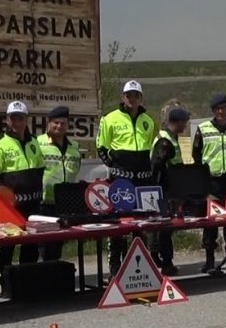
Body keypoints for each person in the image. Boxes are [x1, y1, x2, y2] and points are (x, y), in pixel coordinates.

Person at [96, 79, 157, 275]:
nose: (132, 99)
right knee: (119, 226)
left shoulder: (148, 120)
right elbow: (101, 147)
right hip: (121, 181)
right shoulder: (110, 118)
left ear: (141, 98)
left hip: (143, 181)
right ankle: (115, 267)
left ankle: (140, 267)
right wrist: (113, 165)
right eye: (129, 95)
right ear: (123, 97)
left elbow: (149, 148)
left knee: (142, 225)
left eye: (136, 95)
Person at [0, 100, 46, 293]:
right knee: (7, 247)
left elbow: (40, 170)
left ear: (26, 120)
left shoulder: (34, 142)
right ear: (7, 120)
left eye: (21, 118)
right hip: (11, 207)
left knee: (30, 245)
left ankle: (25, 283)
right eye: (14, 118)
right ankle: (6, 282)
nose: (17, 122)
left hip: (33, 205)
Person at [192, 93, 226, 273]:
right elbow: (196, 154)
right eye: (217, 109)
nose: (221, 111)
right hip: (212, 182)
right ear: (213, 111)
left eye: (223, 108)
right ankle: (210, 261)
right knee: (211, 223)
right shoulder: (203, 128)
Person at [37, 105, 81, 261]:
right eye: (56, 122)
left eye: (63, 123)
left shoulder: (73, 146)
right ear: (48, 123)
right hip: (43, 202)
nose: (59, 126)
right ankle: (46, 278)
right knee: (43, 244)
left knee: (58, 243)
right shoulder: (38, 144)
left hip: (64, 204)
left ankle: (54, 278)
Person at [151, 105, 189, 275]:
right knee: (166, 226)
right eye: (184, 122)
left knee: (162, 226)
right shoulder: (165, 141)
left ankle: (155, 256)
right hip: (165, 189)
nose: (185, 126)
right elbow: (158, 166)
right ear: (178, 122)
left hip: (168, 188)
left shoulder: (170, 137)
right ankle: (166, 262)